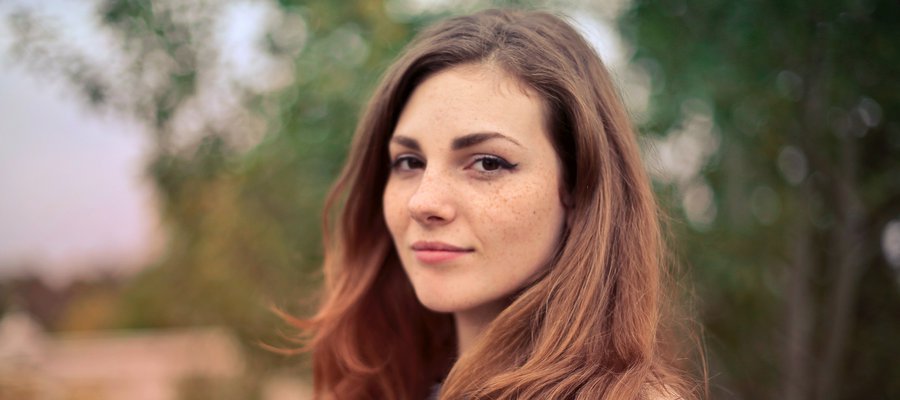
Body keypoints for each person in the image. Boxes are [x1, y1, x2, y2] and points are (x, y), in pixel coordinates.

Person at [290, 8, 699, 400]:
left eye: (487, 163)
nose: (423, 202)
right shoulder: (386, 386)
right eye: (409, 162)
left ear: (578, 190)